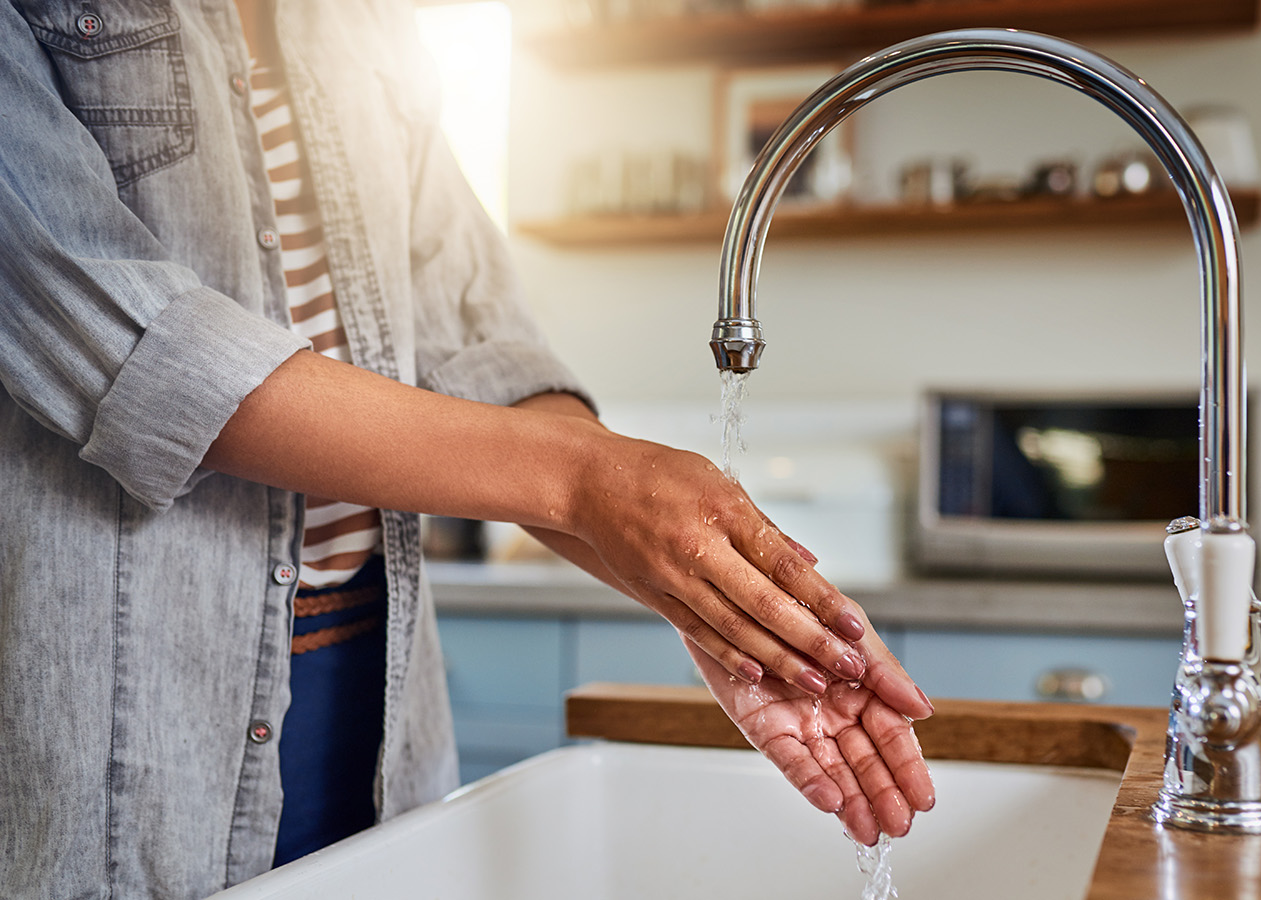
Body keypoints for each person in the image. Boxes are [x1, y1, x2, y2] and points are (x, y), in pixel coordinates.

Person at [0, 2, 934, 897]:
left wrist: (702, 592)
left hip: (378, 701)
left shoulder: (365, 22)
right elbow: (136, 348)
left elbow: (482, 346)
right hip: (126, 735)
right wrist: (590, 482)